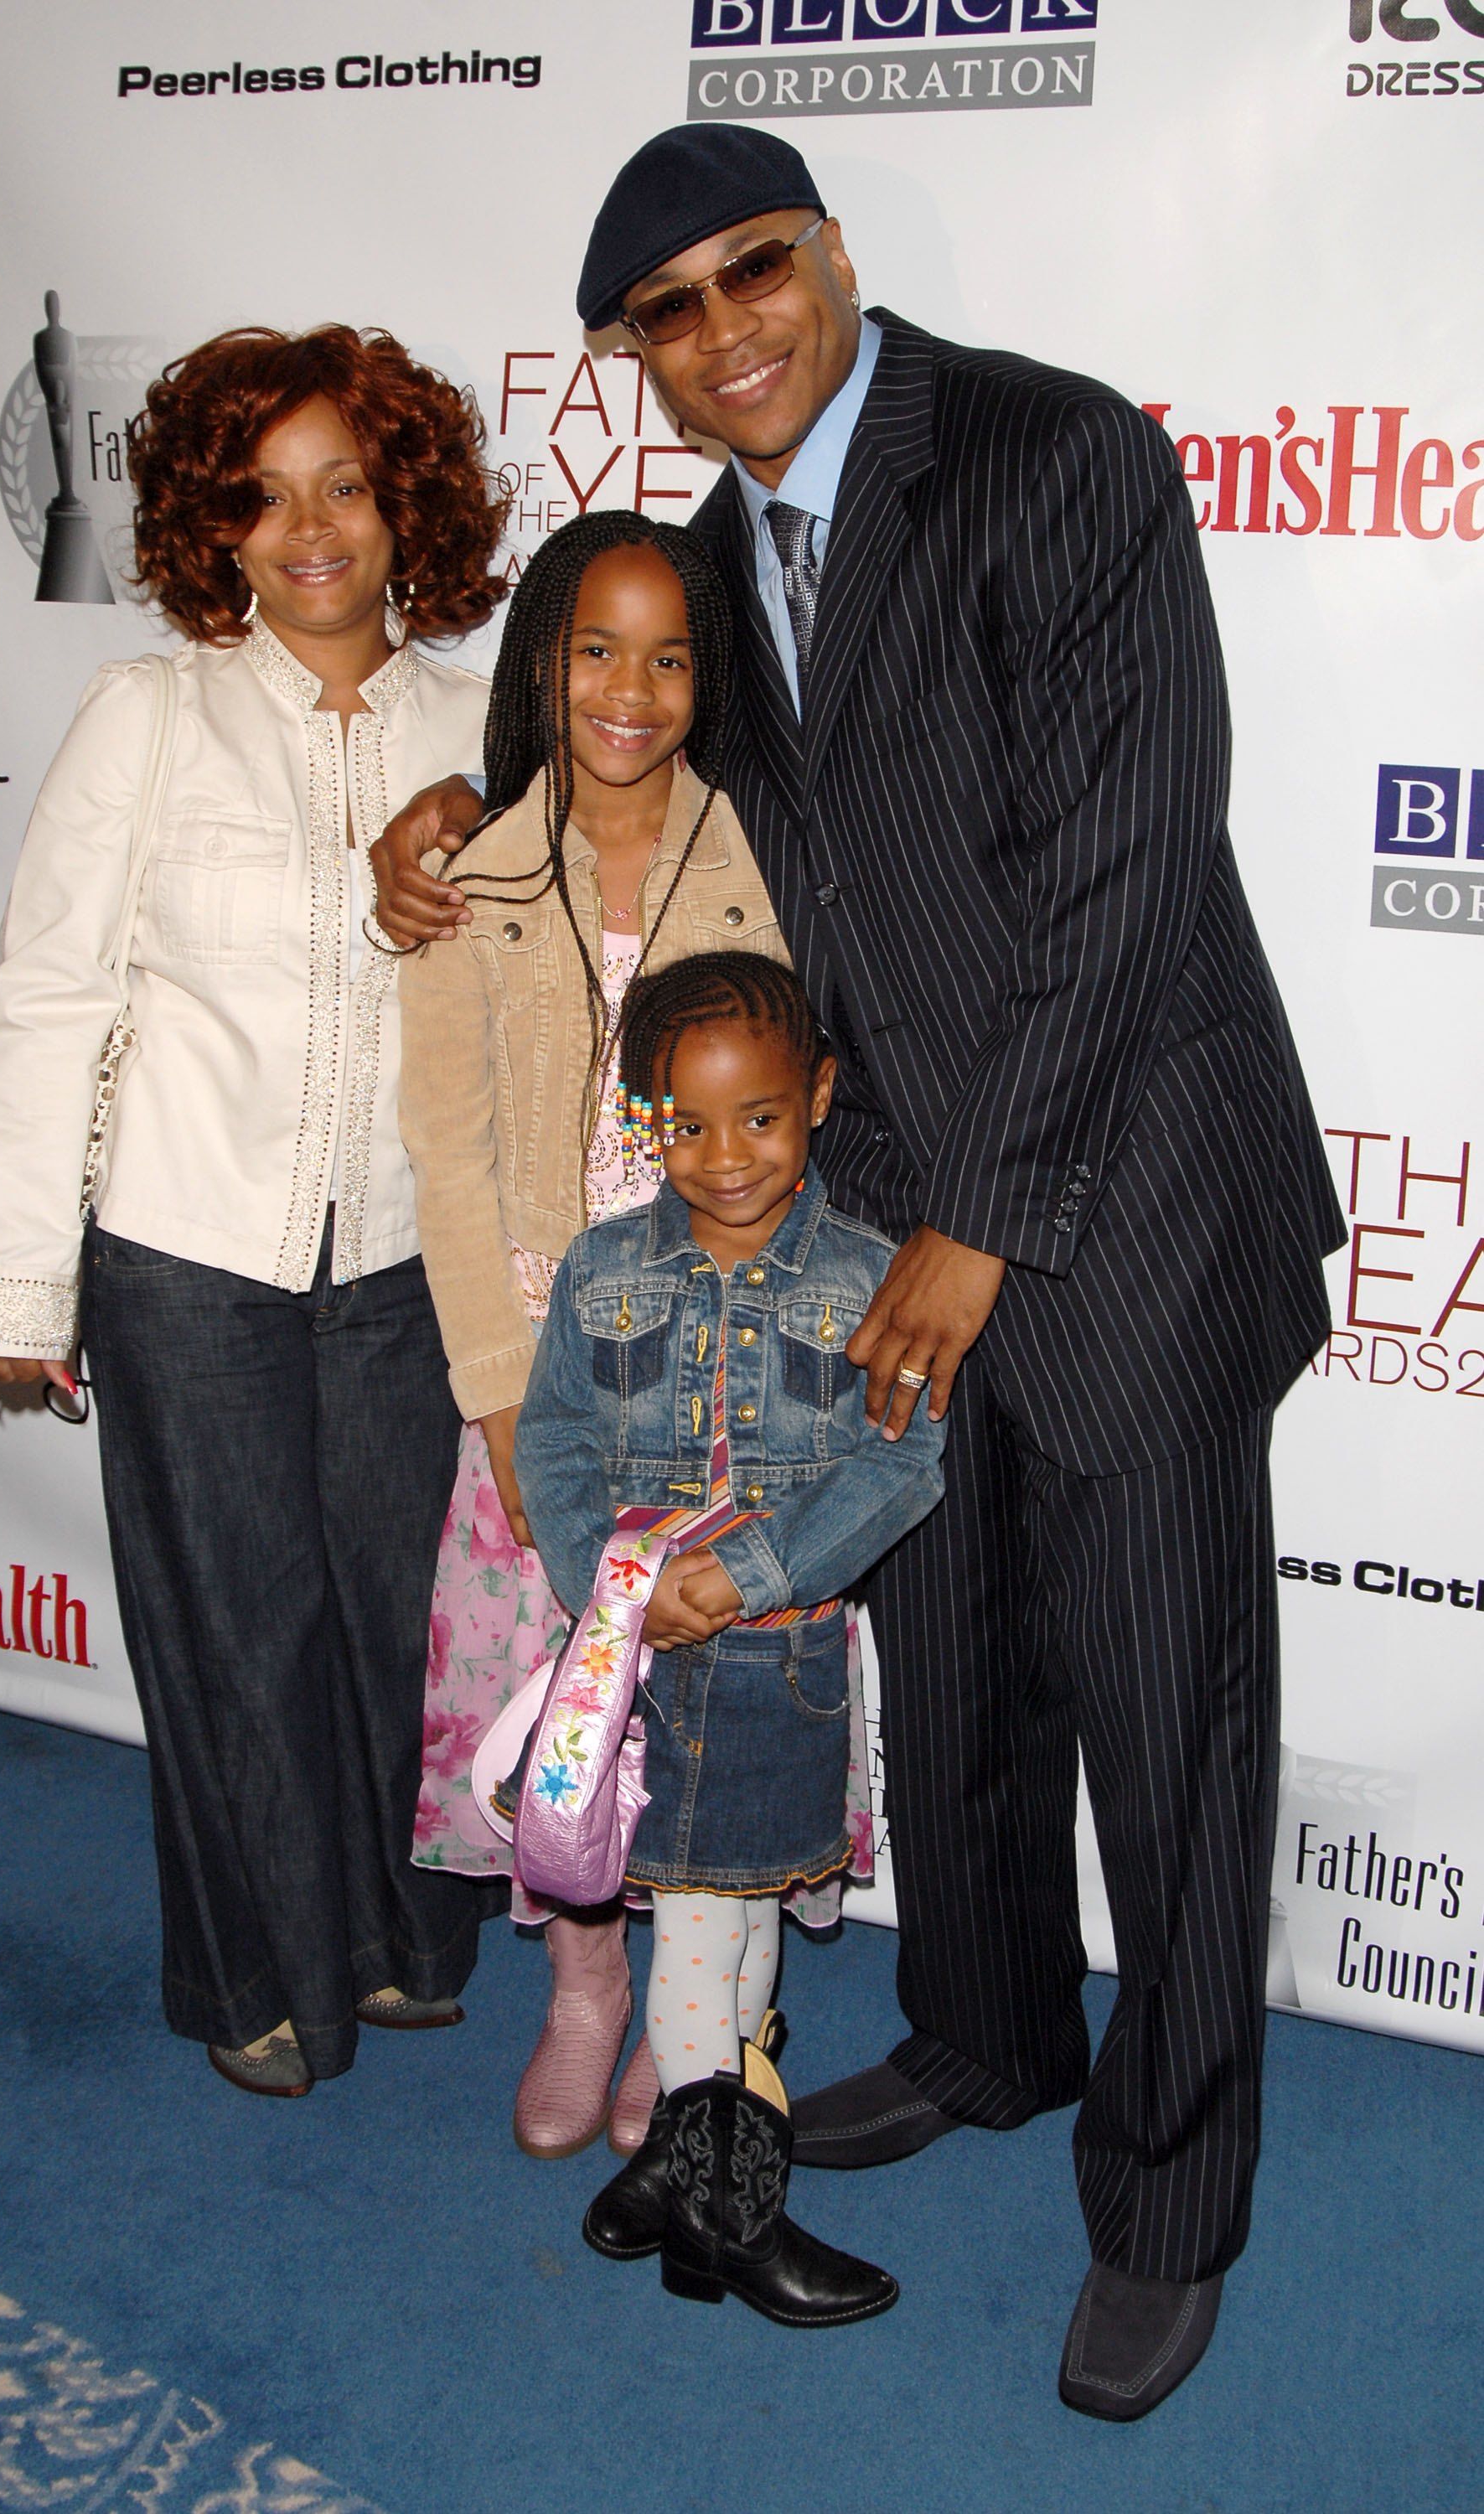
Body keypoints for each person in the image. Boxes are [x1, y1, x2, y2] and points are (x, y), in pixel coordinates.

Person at [377, 127, 1344, 2416]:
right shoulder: (708, 564)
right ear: (633, 356)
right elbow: (615, 778)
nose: (729, 329)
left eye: (756, 269)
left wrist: (983, 1228)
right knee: (963, 1666)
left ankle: (1171, 2198)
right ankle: (994, 2035)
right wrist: (441, 819)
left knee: (1165, 1724)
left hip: (1115, 1210)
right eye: (671, 311)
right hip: (887, 1249)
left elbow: (1130, 852)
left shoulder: (1051, 449)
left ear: (831, 251)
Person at [0, 323, 508, 2097]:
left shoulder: (482, 718)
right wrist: (17, 1292)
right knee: (231, 1627)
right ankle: (262, 1980)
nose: (310, 530)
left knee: (400, 1621)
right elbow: (48, 1001)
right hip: (186, 1259)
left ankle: (414, 1938)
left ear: (404, 500)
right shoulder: (149, 711)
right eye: (260, 499)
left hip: (409, 1260)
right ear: (211, 529)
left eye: (343, 483)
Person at [397, 510, 874, 2165]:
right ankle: (586, 1989)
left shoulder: (757, 855)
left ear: (704, 677)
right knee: (559, 1694)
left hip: (722, 1354)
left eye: (666, 656)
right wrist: (495, 1393)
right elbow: (443, 1152)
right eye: (594, 650)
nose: (628, 689)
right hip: (541, 1374)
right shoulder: (467, 870)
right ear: (543, 662)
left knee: (705, 1680)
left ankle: (706, 2002)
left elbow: (796, 1107)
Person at [514, 952, 944, 2326]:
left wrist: (748, 1574)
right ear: (645, 1117)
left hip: (789, 1663)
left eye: (759, 1117)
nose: (724, 1157)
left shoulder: (876, 1276)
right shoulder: (603, 1266)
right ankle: (726, 2212)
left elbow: (902, 1460)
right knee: (696, 1929)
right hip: (647, 1667)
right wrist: (620, 1584)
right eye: (685, 1126)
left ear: (817, 1097)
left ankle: (678, 2177)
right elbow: (558, 1442)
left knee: (745, 1910)